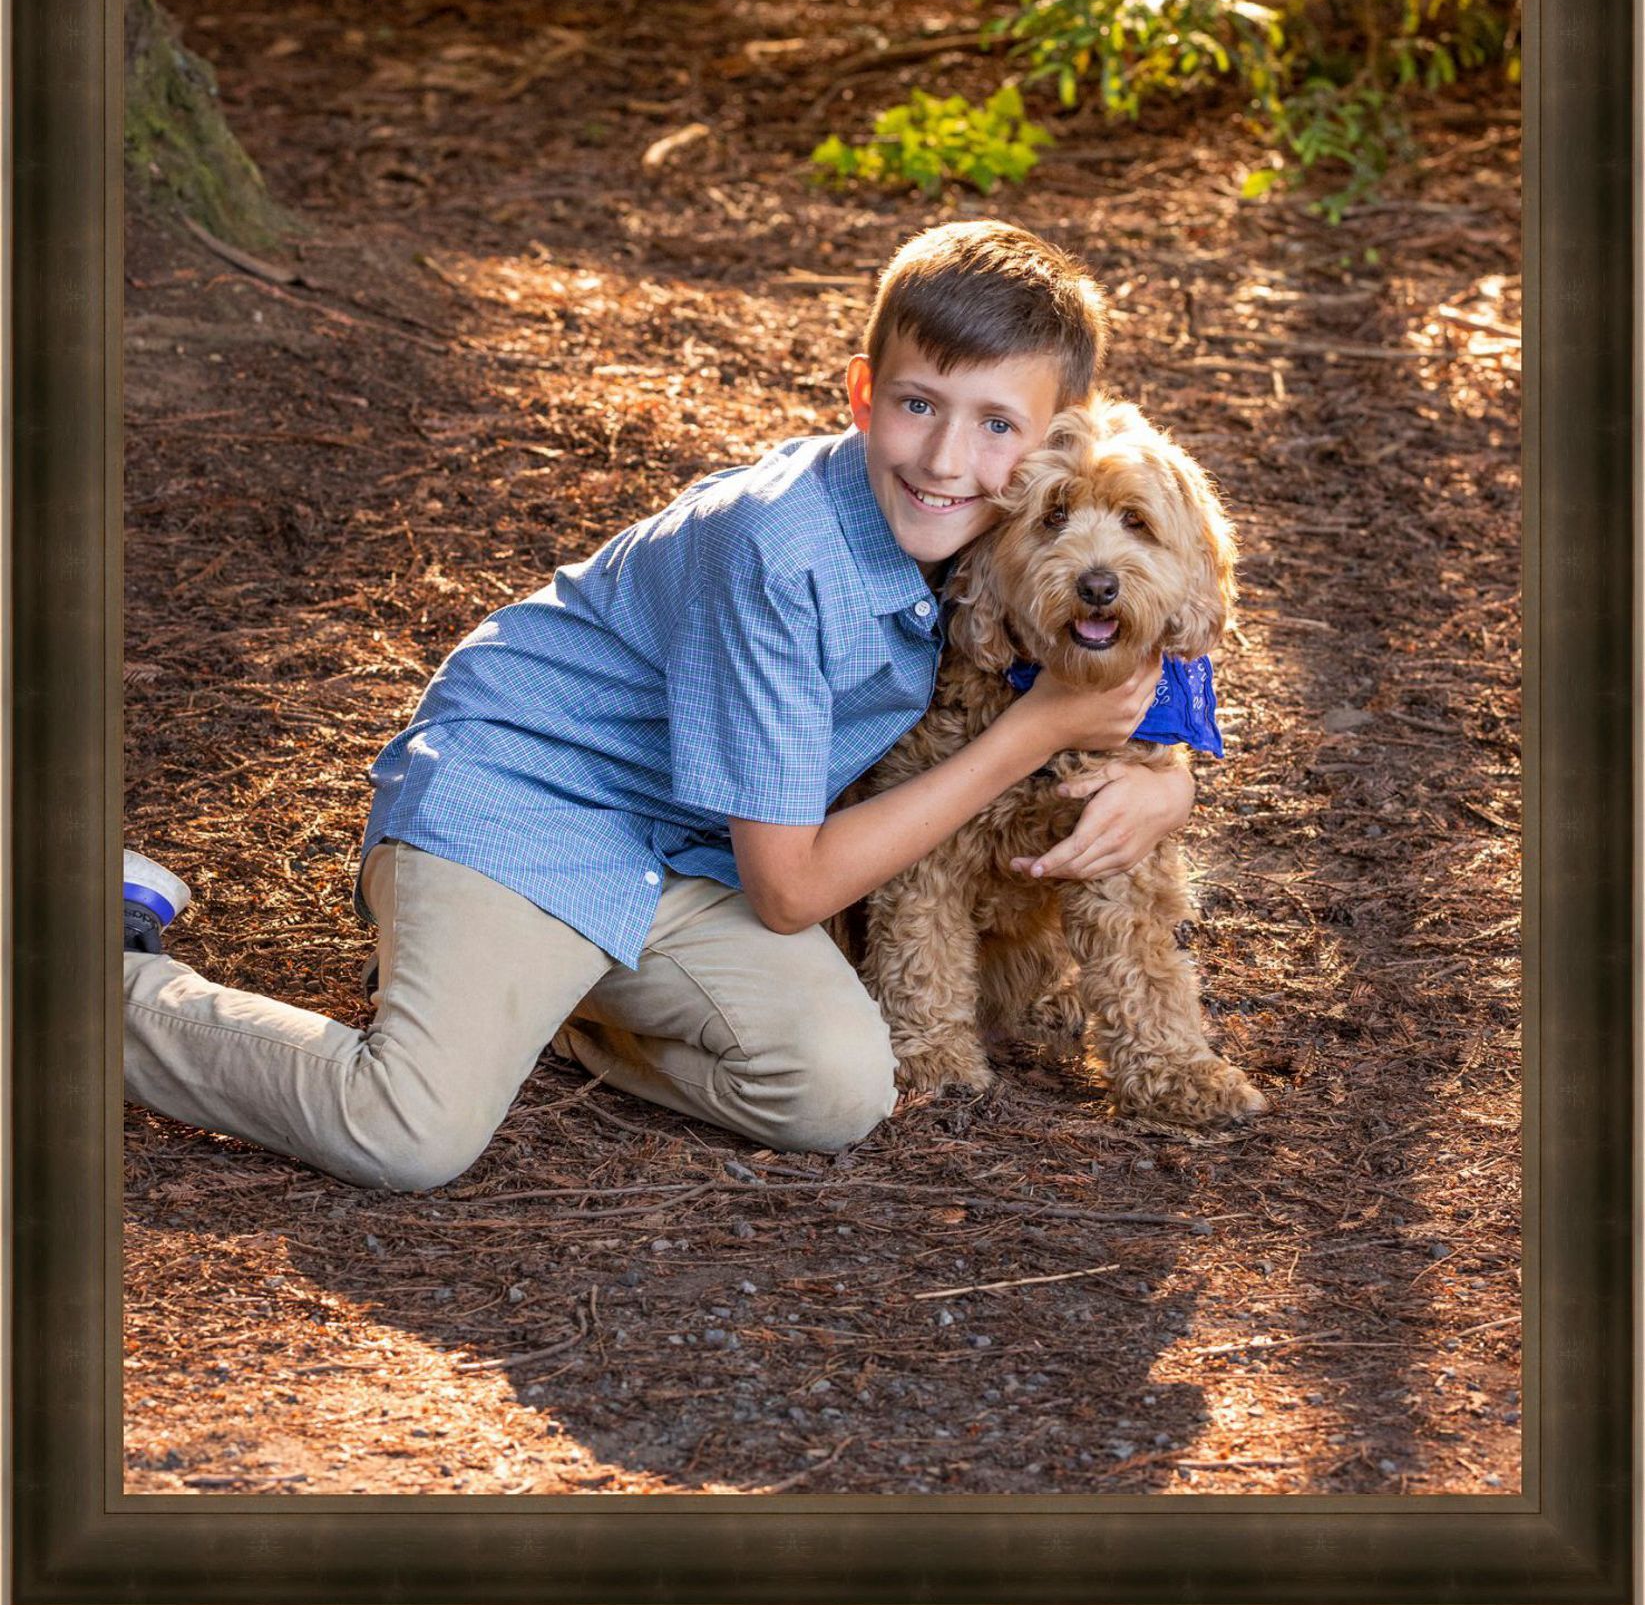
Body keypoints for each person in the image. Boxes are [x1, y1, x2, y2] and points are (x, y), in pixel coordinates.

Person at [123, 221, 1201, 1191]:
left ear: (1058, 438)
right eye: (918, 405)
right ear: (865, 394)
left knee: (835, 1090)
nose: (947, 458)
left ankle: (530, 1005)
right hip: (526, 803)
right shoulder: (776, 550)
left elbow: (1139, 647)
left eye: (997, 426)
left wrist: (1167, 777)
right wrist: (1037, 734)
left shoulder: (996, 536)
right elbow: (791, 893)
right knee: (410, 1131)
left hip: (691, 857)